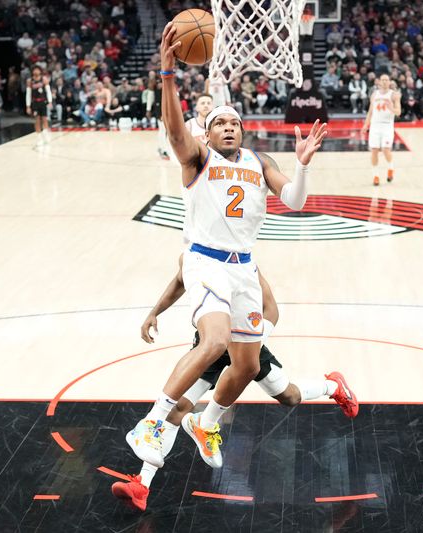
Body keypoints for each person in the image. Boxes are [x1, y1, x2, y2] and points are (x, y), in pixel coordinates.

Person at [125, 22, 328, 472]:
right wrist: (168, 75)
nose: (229, 128)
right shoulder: (197, 159)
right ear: (208, 134)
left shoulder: (260, 161)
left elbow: (293, 200)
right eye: (219, 123)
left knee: (246, 364)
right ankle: (154, 422)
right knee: (214, 341)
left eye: (235, 122)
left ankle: (206, 423)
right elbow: (176, 131)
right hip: (204, 263)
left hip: (244, 270)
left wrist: (302, 166)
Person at [112, 259, 358, 511]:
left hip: (247, 343)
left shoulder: (243, 264)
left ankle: (333, 387)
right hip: (211, 344)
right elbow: (179, 280)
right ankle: (143, 483)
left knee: (289, 396)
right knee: (177, 409)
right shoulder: (197, 255)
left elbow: (271, 307)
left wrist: (255, 340)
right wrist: (155, 311)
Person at [361, 74, 401, 186]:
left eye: (386, 80)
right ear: (378, 82)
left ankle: (390, 168)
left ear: (389, 82)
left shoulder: (394, 95)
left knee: (385, 149)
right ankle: (376, 176)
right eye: (382, 80)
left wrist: (391, 108)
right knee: (374, 150)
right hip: (375, 126)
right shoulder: (374, 95)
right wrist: (365, 125)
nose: (384, 82)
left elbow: (398, 112)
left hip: (387, 126)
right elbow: (370, 112)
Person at [25, 66, 51, 138]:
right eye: (34, 70)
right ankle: (38, 135)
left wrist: (50, 101)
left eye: (37, 70)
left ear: (40, 71)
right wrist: (28, 106)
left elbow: (48, 91)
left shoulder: (44, 79)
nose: (36, 71)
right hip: (35, 102)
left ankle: (46, 133)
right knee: (37, 119)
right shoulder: (30, 81)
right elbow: (28, 94)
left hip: (43, 102)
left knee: (44, 118)